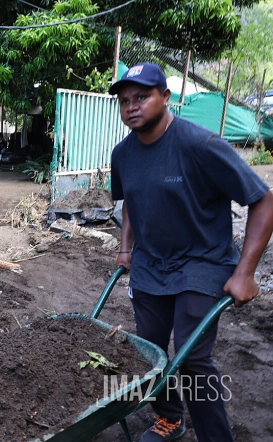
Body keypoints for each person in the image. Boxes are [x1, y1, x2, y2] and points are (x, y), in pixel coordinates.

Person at [109, 63, 273, 442]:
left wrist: (245, 272)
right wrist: (125, 248)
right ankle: (170, 417)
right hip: (151, 265)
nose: (132, 106)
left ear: (166, 98)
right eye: (125, 101)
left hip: (203, 262)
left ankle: (216, 437)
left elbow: (263, 199)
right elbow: (131, 201)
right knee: (147, 352)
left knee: (192, 358)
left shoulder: (201, 145)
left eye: (142, 97)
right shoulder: (123, 154)